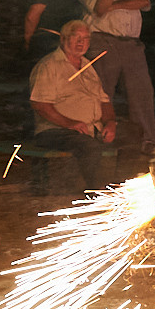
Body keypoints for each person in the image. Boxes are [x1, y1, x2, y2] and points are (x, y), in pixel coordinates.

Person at [74, 0, 155, 152]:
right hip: (103, 41)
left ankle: (146, 140)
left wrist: (114, 4)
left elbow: (143, 2)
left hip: (131, 43)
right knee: (101, 92)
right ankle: (96, 138)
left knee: (141, 92)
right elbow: (99, 9)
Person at [28, 20, 117, 194]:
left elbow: (104, 101)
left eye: (86, 38)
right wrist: (70, 123)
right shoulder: (49, 66)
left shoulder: (88, 66)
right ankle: (95, 192)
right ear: (63, 39)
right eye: (76, 37)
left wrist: (111, 122)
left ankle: (124, 187)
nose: (81, 42)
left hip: (92, 128)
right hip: (56, 131)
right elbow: (40, 104)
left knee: (134, 134)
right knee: (88, 146)